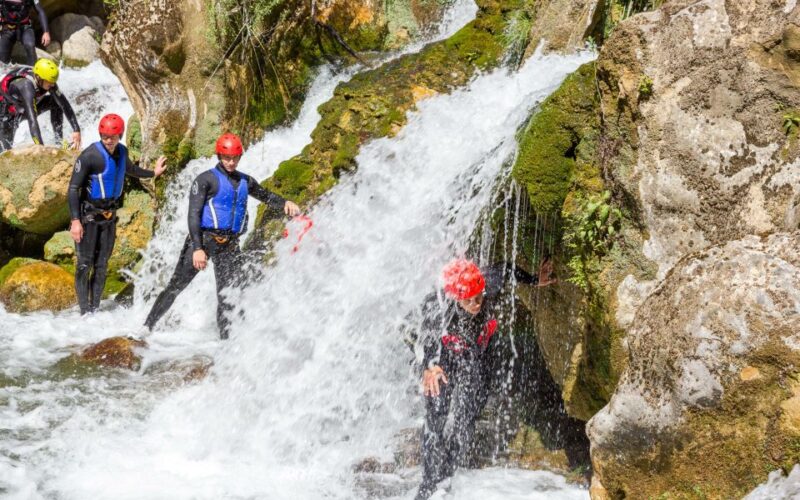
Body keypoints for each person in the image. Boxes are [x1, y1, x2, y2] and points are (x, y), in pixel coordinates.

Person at [415, 257, 556, 500]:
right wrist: (429, 366)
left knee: (468, 416)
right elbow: (422, 337)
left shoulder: (488, 283)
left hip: (478, 357)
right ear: (455, 297)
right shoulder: (437, 306)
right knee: (436, 417)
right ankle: (427, 486)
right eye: (469, 299)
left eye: (479, 296)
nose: (477, 303)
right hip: (444, 364)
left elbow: (506, 268)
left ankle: (446, 475)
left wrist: (535, 280)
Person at [143, 132, 301, 339]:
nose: (231, 162)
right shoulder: (205, 180)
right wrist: (198, 249)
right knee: (176, 286)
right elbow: (193, 215)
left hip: (229, 245)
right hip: (203, 240)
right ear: (219, 156)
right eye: (227, 157)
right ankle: (146, 328)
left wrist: (285, 203)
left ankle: (224, 344)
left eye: (235, 157)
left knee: (226, 296)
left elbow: (266, 196)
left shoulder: (246, 181)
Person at [67, 114, 167, 315]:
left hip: (109, 218)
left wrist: (153, 173)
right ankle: (84, 313)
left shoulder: (122, 151)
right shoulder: (89, 156)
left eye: (112, 136)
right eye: (105, 136)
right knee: (85, 265)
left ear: (120, 135)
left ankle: (94, 309)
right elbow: (73, 189)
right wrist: (75, 221)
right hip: (89, 217)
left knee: (102, 265)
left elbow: (131, 169)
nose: (109, 140)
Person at [0, 58, 80, 152]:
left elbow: (64, 103)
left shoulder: (47, 81)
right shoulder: (26, 86)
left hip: (21, 108)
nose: (53, 84)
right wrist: (42, 149)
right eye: (50, 82)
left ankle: (59, 142)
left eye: (53, 81)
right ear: (38, 77)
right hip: (6, 115)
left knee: (55, 102)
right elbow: (32, 120)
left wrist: (76, 129)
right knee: (5, 152)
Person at [0, 0, 50, 66]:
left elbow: (40, 11)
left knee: (30, 45)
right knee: (2, 61)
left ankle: (32, 71)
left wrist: (46, 32)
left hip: (25, 28)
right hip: (7, 29)